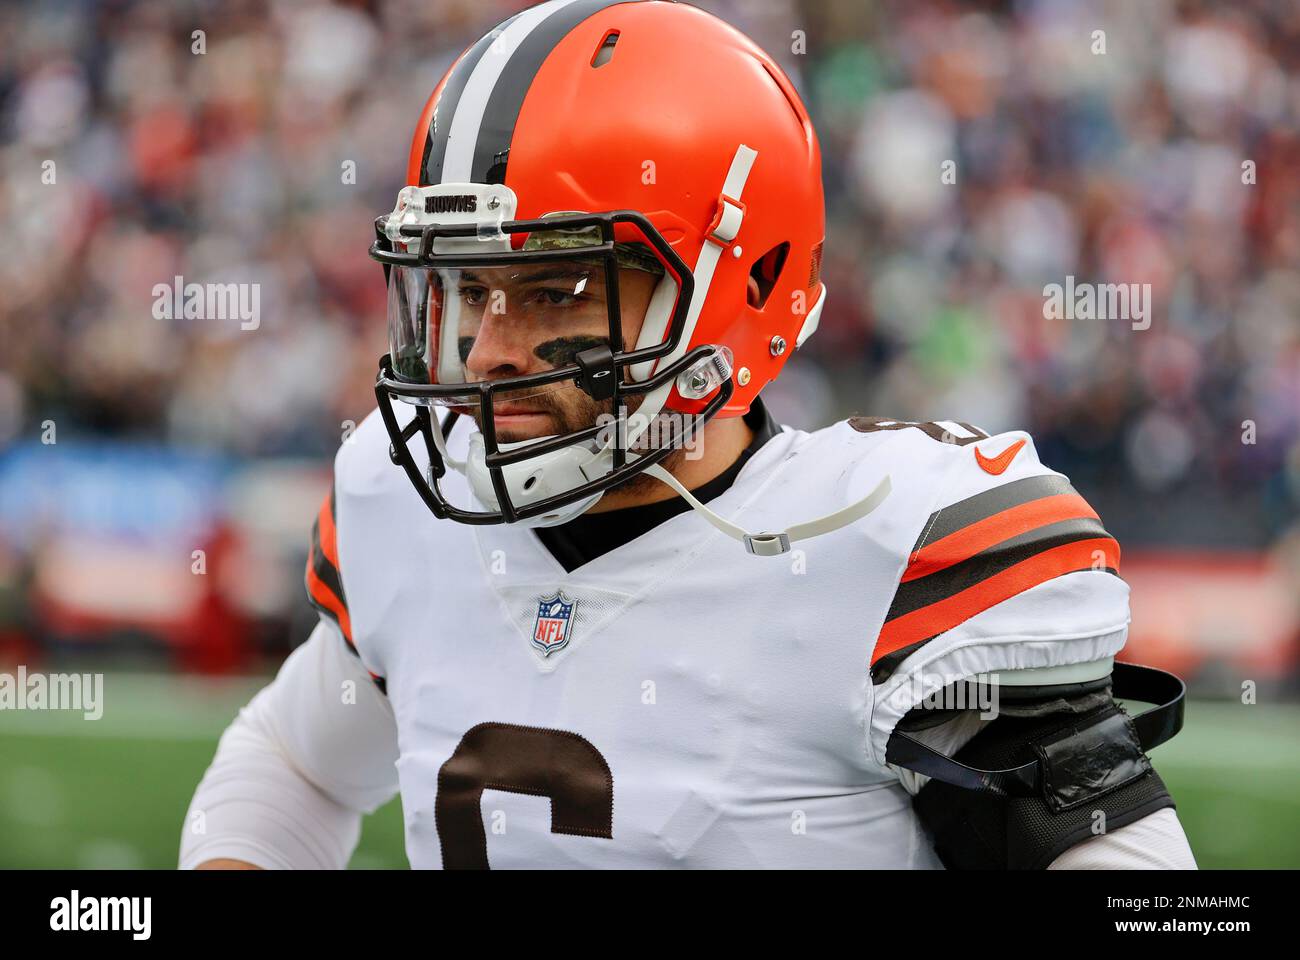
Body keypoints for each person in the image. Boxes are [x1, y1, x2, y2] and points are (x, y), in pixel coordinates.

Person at [181, 0, 1195, 870]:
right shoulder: (406, 506)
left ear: (741, 285)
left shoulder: (877, 545)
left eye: (554, 290)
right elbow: (297, 762)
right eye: (471, 289)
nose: (488, 350)